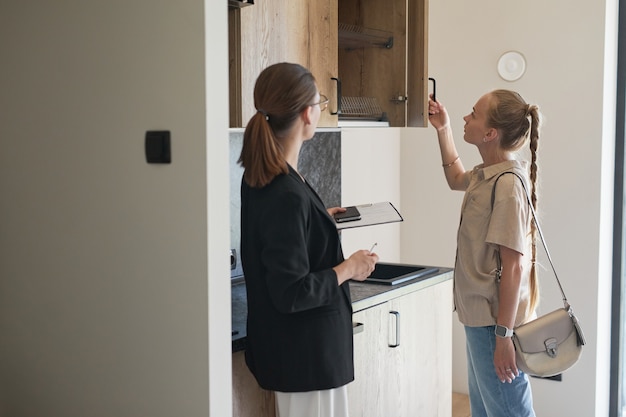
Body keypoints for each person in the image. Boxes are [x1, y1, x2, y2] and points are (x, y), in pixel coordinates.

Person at [238, 62, 379, 417]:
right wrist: (349, 268)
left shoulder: (275, 177)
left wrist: (318, 220)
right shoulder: (283, 190)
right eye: (320, 102)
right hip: (306, 358)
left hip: (305, 356)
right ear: (306, 113)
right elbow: (292, 292)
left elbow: (287, 236)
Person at [428, 89, 541, 417]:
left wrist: (503, 337)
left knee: (508, 411)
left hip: (495, 324)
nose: (466, 117)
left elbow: (514, 268)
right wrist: (443, 128)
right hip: (482, 321)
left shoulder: (507, 186)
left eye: (473, 114)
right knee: (488, 410)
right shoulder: (487, 174)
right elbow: (455, 178)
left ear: (491, 133)